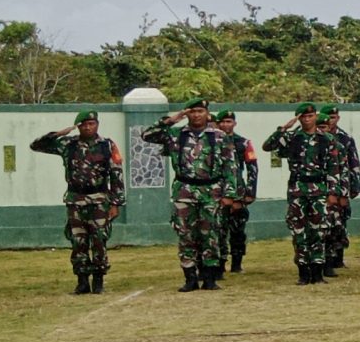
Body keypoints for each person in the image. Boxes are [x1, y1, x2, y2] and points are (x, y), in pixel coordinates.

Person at [141, 98, 234, 292]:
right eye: (192, 111)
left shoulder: (219, 136)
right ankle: (190, 277)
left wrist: (230, 194)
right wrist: (170, 120)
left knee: (211, 234)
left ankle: (209, 277)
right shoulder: (176, 134)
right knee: (185, 234)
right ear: (187, 114)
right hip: (184, 190)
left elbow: (230, 166)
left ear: (207, 113)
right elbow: (147, 135)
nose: (197, 115)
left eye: (200, 111)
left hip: (211, 192)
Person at [30, 110, 124, 294]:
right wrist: (58, 134)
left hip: (99, 200)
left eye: (92, 124)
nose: (88, 127)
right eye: (84, 125)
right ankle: (82, 281)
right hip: (75, 200)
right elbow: (36, 146)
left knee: (99, 240)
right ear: (78, 126)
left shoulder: (107, 145)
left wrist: (116, 203)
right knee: (78, 241)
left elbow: (117, 174)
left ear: (97, 124)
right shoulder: (67, 144)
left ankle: (98, 281)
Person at [262, 104, 343, 284]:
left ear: (316, 116)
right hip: (298, 190)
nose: (307, 120)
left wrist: (333, 192)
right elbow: (268, 147)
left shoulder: (328, 139)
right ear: (299, 118)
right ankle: (303, 272)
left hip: (320, 189)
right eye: (303, 117)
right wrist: (283, 129)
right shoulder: (292, 138)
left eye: (310, 116)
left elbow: (334, 167)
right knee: (299, 231)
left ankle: (317, 271)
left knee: (319, 231)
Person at [214, 109, 257, 273]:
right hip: (217, 192)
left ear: (234, 123)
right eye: (223, 122)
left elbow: (253, 168)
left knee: (238, 229)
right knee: (218, 229)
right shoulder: (212, 142)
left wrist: (250, 192)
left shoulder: (243, 143)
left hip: (238, 192)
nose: (226, 125)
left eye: (229, 121)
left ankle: (237, 263)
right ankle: (219, 263)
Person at [321, 106, 360, 271]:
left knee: (340, 222)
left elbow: (353, 163)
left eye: (334, 117)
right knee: (326, 223)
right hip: (322, 187)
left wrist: (354, 186)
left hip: (341, 187)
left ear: (338, 118)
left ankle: (338, 257)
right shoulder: (316, 138)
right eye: (328, 117)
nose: (331, 120)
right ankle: (325, 260)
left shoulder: (345, 138)